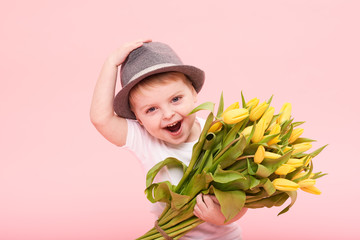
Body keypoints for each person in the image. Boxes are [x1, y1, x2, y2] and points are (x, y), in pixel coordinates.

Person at [90, 39, 247, 239]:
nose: (168, 114)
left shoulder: (219, 134)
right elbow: (100, 118)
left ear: (193, 93)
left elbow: (243, 194)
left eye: (175, 99)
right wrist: (111, 63)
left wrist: (223, 217)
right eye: (151, 109)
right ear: (138, 119)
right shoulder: (145, 139)